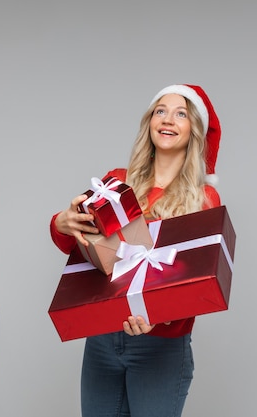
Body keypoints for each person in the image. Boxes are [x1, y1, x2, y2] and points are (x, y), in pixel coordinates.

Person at [49, 84, 222, 417]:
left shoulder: (203, 201)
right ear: (149, 122)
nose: (168, 119)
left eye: (181, 113)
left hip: (161, 348)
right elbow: (80, 246)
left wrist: (157, 319)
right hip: (101, 340)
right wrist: (62, 222)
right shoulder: (116, 182)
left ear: (193, 130)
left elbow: (197, 286)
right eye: (161, 110)